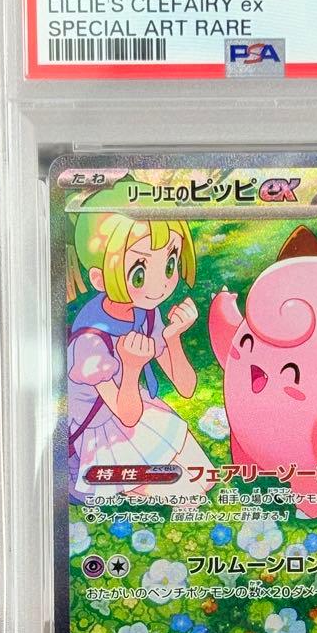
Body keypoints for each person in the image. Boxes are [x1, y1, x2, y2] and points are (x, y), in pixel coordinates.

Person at [64, 179, 211, 503]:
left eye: (170, 264)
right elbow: (124, 414)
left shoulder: (146, 311)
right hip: (103, 430)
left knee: (204, 478)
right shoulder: (91, 340)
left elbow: (186, 387)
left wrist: (173, 338)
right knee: (190, 495)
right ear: (99, 278)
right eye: (140, 273)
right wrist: (131, 369)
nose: (159, 286)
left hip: (139, 410)